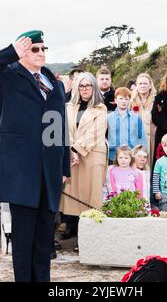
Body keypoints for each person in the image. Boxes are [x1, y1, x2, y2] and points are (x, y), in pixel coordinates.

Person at [0, 30, 70, 282]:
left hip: (49, 171)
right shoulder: (6, 77)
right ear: (23, 52)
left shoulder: (53, 84)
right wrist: (10, 52)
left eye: (44, 49)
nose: (41, 53)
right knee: (23, 241)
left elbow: (58, 126)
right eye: (35, 49)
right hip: (21, 173)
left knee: (44, 240)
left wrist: (64, 166)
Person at [60, 72, 107, 241]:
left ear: (94, 87)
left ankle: (90, 236)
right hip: (73, 155)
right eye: (81, 85)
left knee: (91, 196)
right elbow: (65, 130)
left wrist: (77, 149)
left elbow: (96, 133)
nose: (85, 89)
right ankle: (72, 228)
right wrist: (71, 151)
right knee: (73, 194)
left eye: (88, 85)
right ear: (76, 88)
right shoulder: (68, 107)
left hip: (92, 154)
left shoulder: (101, 108)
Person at [107, 87, 147, 163]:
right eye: (121, 99)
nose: (123, 101)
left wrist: (142, 154)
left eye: (126, 99)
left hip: (132, 156)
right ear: (115, 100)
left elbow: (142, 138)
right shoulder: (108, 118)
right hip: (113, 157)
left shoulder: (136, 118)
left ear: (130, 100)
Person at [130, 73, 156, 167]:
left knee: (149, 165)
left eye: (145, 83)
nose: (142, 86)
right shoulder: (131, 101)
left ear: (150, 85)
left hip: (151, 138)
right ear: (137, 85)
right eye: (140, 84)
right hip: (136, 138)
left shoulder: (155, 100)